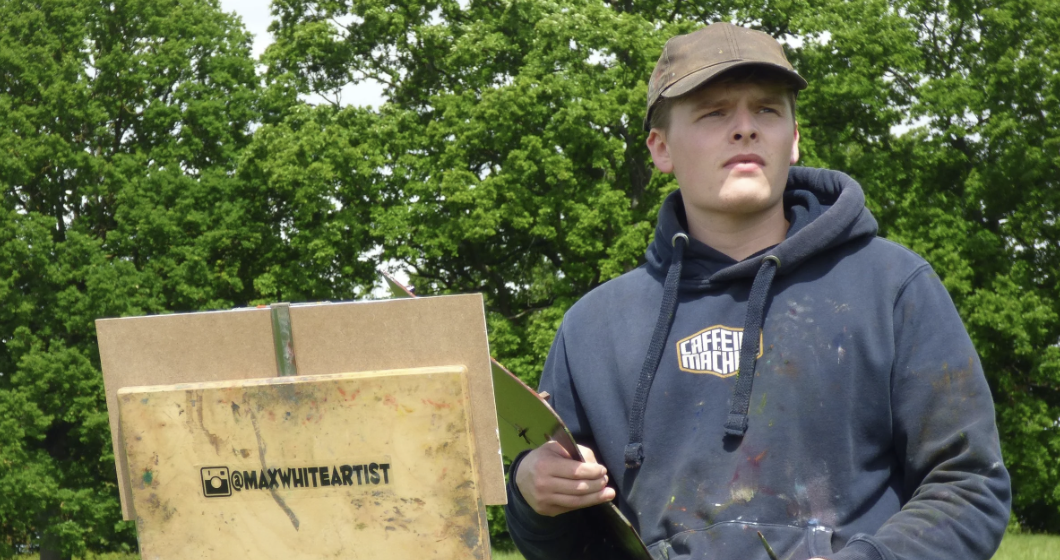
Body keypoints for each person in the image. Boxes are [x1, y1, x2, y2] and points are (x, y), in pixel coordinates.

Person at [504, 21, 1011, 560]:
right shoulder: (592, 328)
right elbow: (569, 544)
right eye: (714, 112)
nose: (745, 128)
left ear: (793, 139)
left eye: (767, 110)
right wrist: (533, 496)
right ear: (661, 148)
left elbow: (968, 484)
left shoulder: (892, 287)